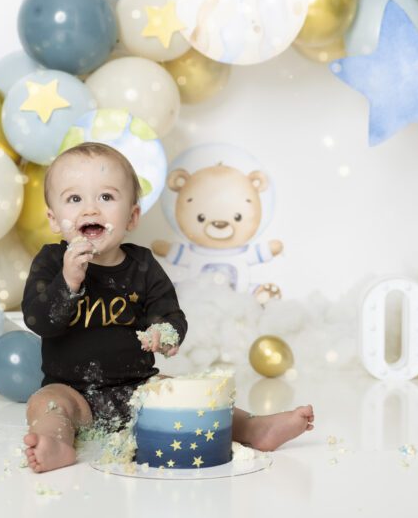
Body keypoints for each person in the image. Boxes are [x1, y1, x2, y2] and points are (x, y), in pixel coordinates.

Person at [21, 142, 315, 473]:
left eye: (106, 197)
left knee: (183, 395)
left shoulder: (142, 265)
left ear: (132, 215)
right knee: (45, 405)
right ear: (54, 219)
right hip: (71, 390)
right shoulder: (51, 262)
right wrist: (68, 282)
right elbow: (39, 320)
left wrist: (164, 332)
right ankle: (58, 443)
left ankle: (252, 427)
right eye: (75, 199)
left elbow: (171, 314)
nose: (90, 209)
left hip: (137, 388)